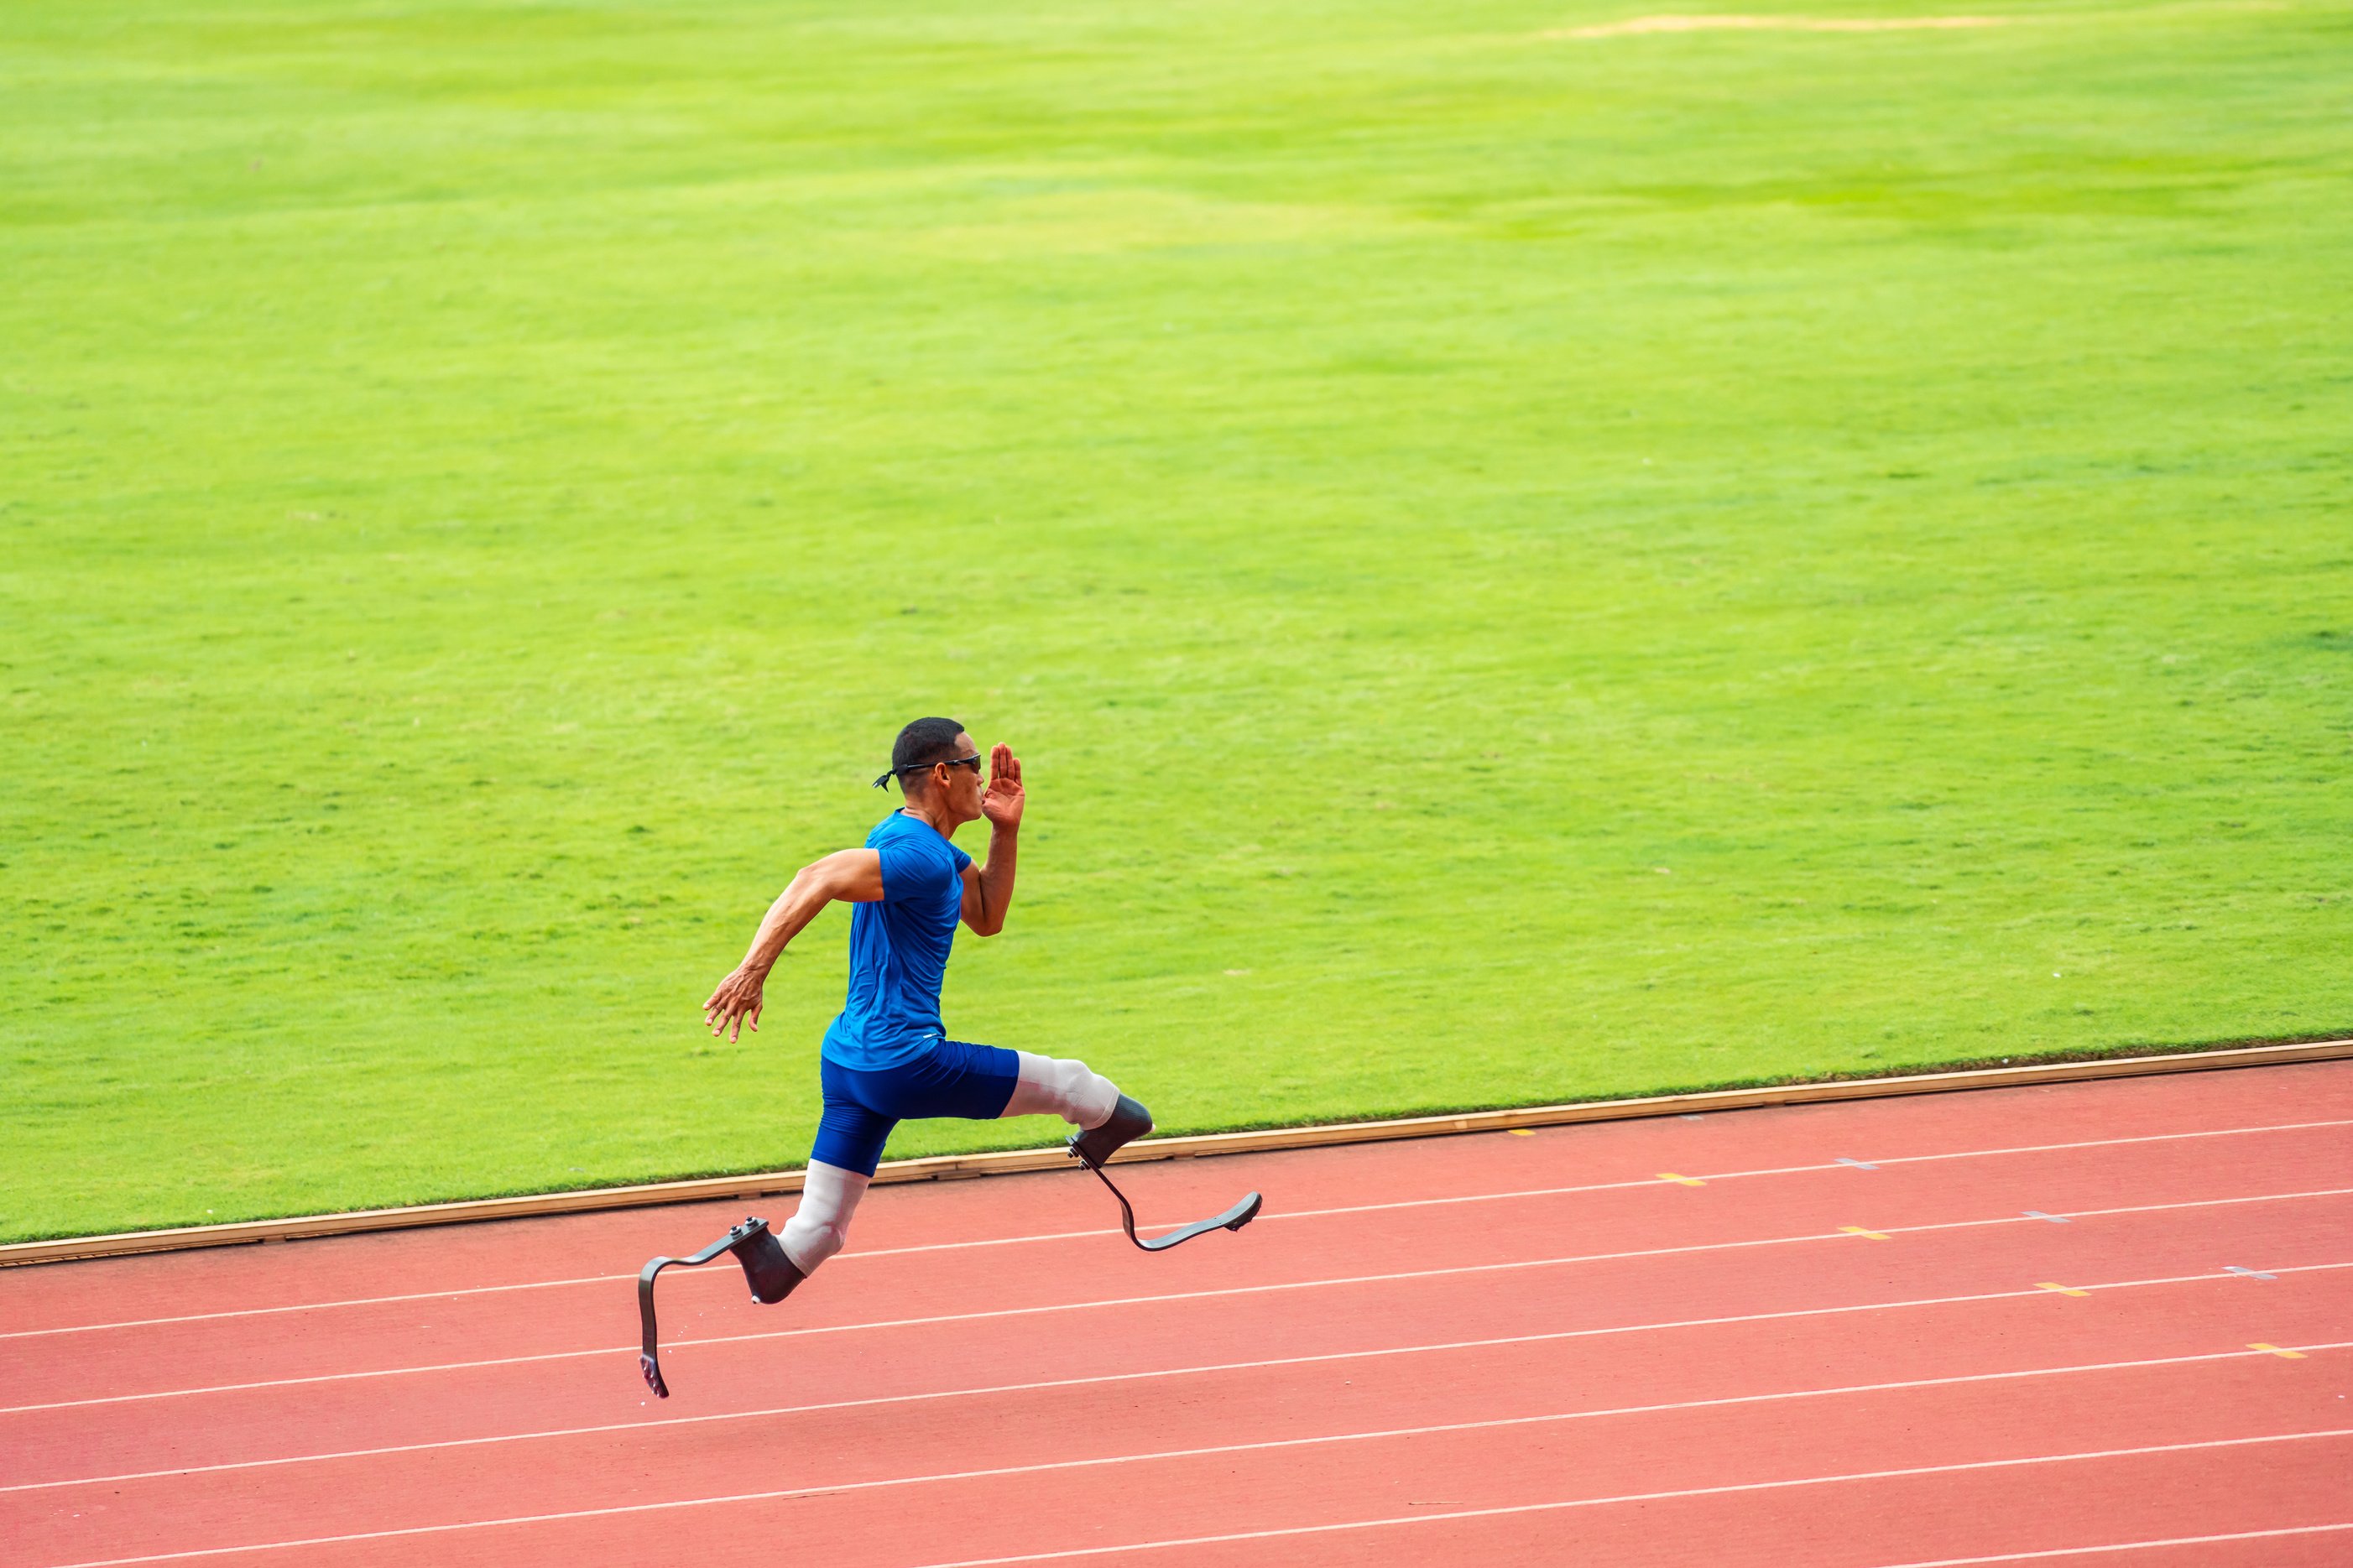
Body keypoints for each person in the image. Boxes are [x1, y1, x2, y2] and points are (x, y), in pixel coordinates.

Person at [700, 716, 1153, 1301]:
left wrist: (1006, 829)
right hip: (904, 1063)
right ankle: (1100, 1132)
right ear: (942, 774)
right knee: (1082, 1087)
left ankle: (770, 1262)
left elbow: (986, 913)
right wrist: (751, 970)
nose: (984, 779)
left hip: (848, 1065)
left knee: (816, 1236)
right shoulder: (922, 857)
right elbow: (816, 875)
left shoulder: (920, 845)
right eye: (973, 766)